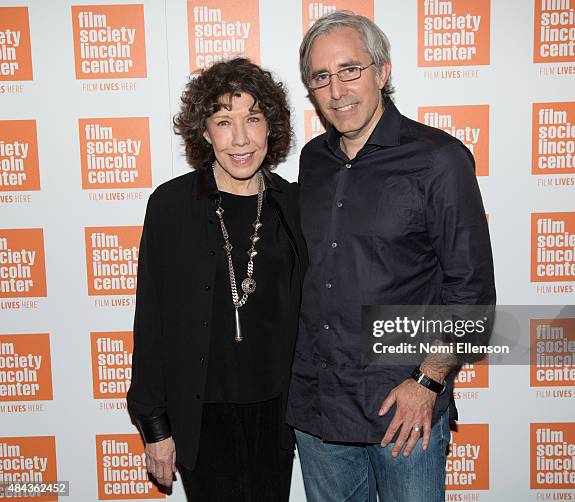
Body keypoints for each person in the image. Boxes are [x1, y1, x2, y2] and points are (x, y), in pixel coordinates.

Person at [287, 11, 495, 502]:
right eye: (321, 78)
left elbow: (473, 295)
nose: (337, 91)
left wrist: (428, 382)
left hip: (403, 406)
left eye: (350, 70)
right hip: (319, 408)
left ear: (382, 72)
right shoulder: (312, 160)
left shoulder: (438, 160)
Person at [127, 57, 307, 501]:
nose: (241, 138)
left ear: (271, 127)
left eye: (253, 119)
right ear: (205, 133)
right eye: (224, 121)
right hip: (201, 415)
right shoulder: (171, 207)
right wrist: (154, 426)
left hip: (278, 414)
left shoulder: (296, 205)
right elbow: (151, 322)